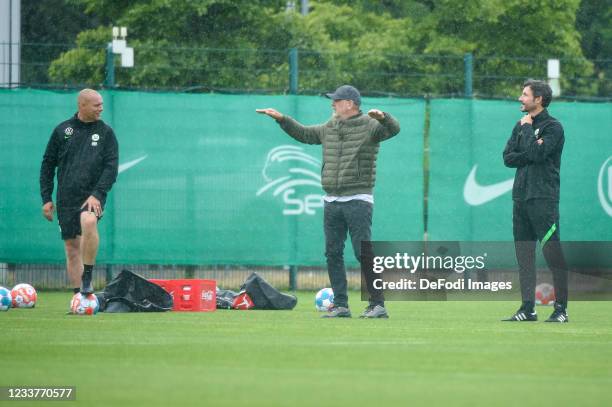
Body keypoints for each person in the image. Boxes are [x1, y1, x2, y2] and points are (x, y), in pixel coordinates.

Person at [257, 85, 400, 318]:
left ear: (350, 104)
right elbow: (304, 134)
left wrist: (384, 117)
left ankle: (378, 304)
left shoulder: (370, 125)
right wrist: (282, 119)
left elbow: (394, 130)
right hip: (331, 200)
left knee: (362, 252)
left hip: (358, 199)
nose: (332, 103)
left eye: (336, 100)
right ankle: (341, 305)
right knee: (332, 253)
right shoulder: (330, 127)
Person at [40, 89, 119, 296]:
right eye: (96, 105)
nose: (101, 108)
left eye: (102, 104)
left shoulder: (106, 132)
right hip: (66, 197)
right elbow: (47, 165)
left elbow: (111, 167)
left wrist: (98, 193)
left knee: (89, 221)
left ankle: (88, 277)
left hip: (93, 195)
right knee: (71, 247)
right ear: (82, 106)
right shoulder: (62, 131)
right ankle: (79, 298)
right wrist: (46, 198)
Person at [502, 79, 569, 323]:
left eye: (524, 94)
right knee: (525, 256)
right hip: (520, 199)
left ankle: (561, 310)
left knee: (553, 254)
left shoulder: (553, 127)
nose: (520, 98)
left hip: (543, 199)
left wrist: (529, 132)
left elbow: (539, 153)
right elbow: (508, 158)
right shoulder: (519, 125)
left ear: (538, 99)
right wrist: (529, 147)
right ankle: (528, 309)